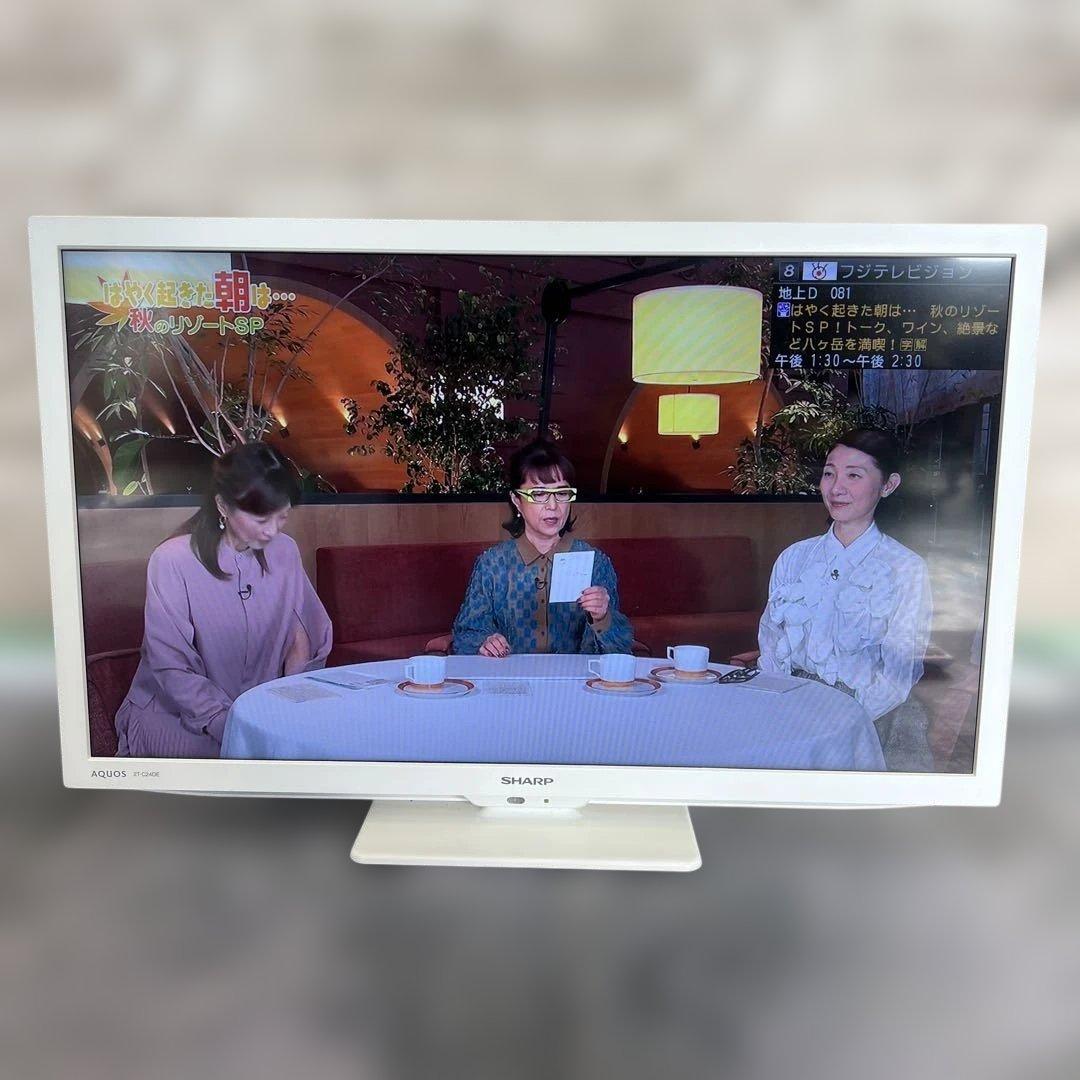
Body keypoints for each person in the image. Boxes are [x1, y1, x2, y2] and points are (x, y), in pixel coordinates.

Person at [115, 442, 332, 758]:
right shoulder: (172, 560)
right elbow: (171, 667)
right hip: (175, 713)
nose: (272, 531)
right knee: (250, 757)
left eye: (282, 516)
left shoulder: (285, 551)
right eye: (260, 519)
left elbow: (300, 638)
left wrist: (289, 711)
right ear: (222, 506)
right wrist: (232, 724)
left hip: (259, 710)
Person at [757, 428, 934, 770]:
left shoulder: (906, 568)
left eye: (854, 475)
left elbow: (899, 673)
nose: (836, 488)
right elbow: (771, 641)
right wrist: (782, 708)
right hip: (789, 710)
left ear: (888, 485)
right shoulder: (793, 558)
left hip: (868, 721)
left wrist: (842, 722)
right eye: (829, 473)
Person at [452, 439, 634, 657]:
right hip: (511, 677)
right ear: (517, 501)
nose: (553, 506)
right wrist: (484, 642)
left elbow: (620, 650)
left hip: (576, 678)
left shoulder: (595, 562)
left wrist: (602, 617)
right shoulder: (492, 564)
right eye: (539, 494)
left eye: (562, 493)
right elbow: (465, 635)